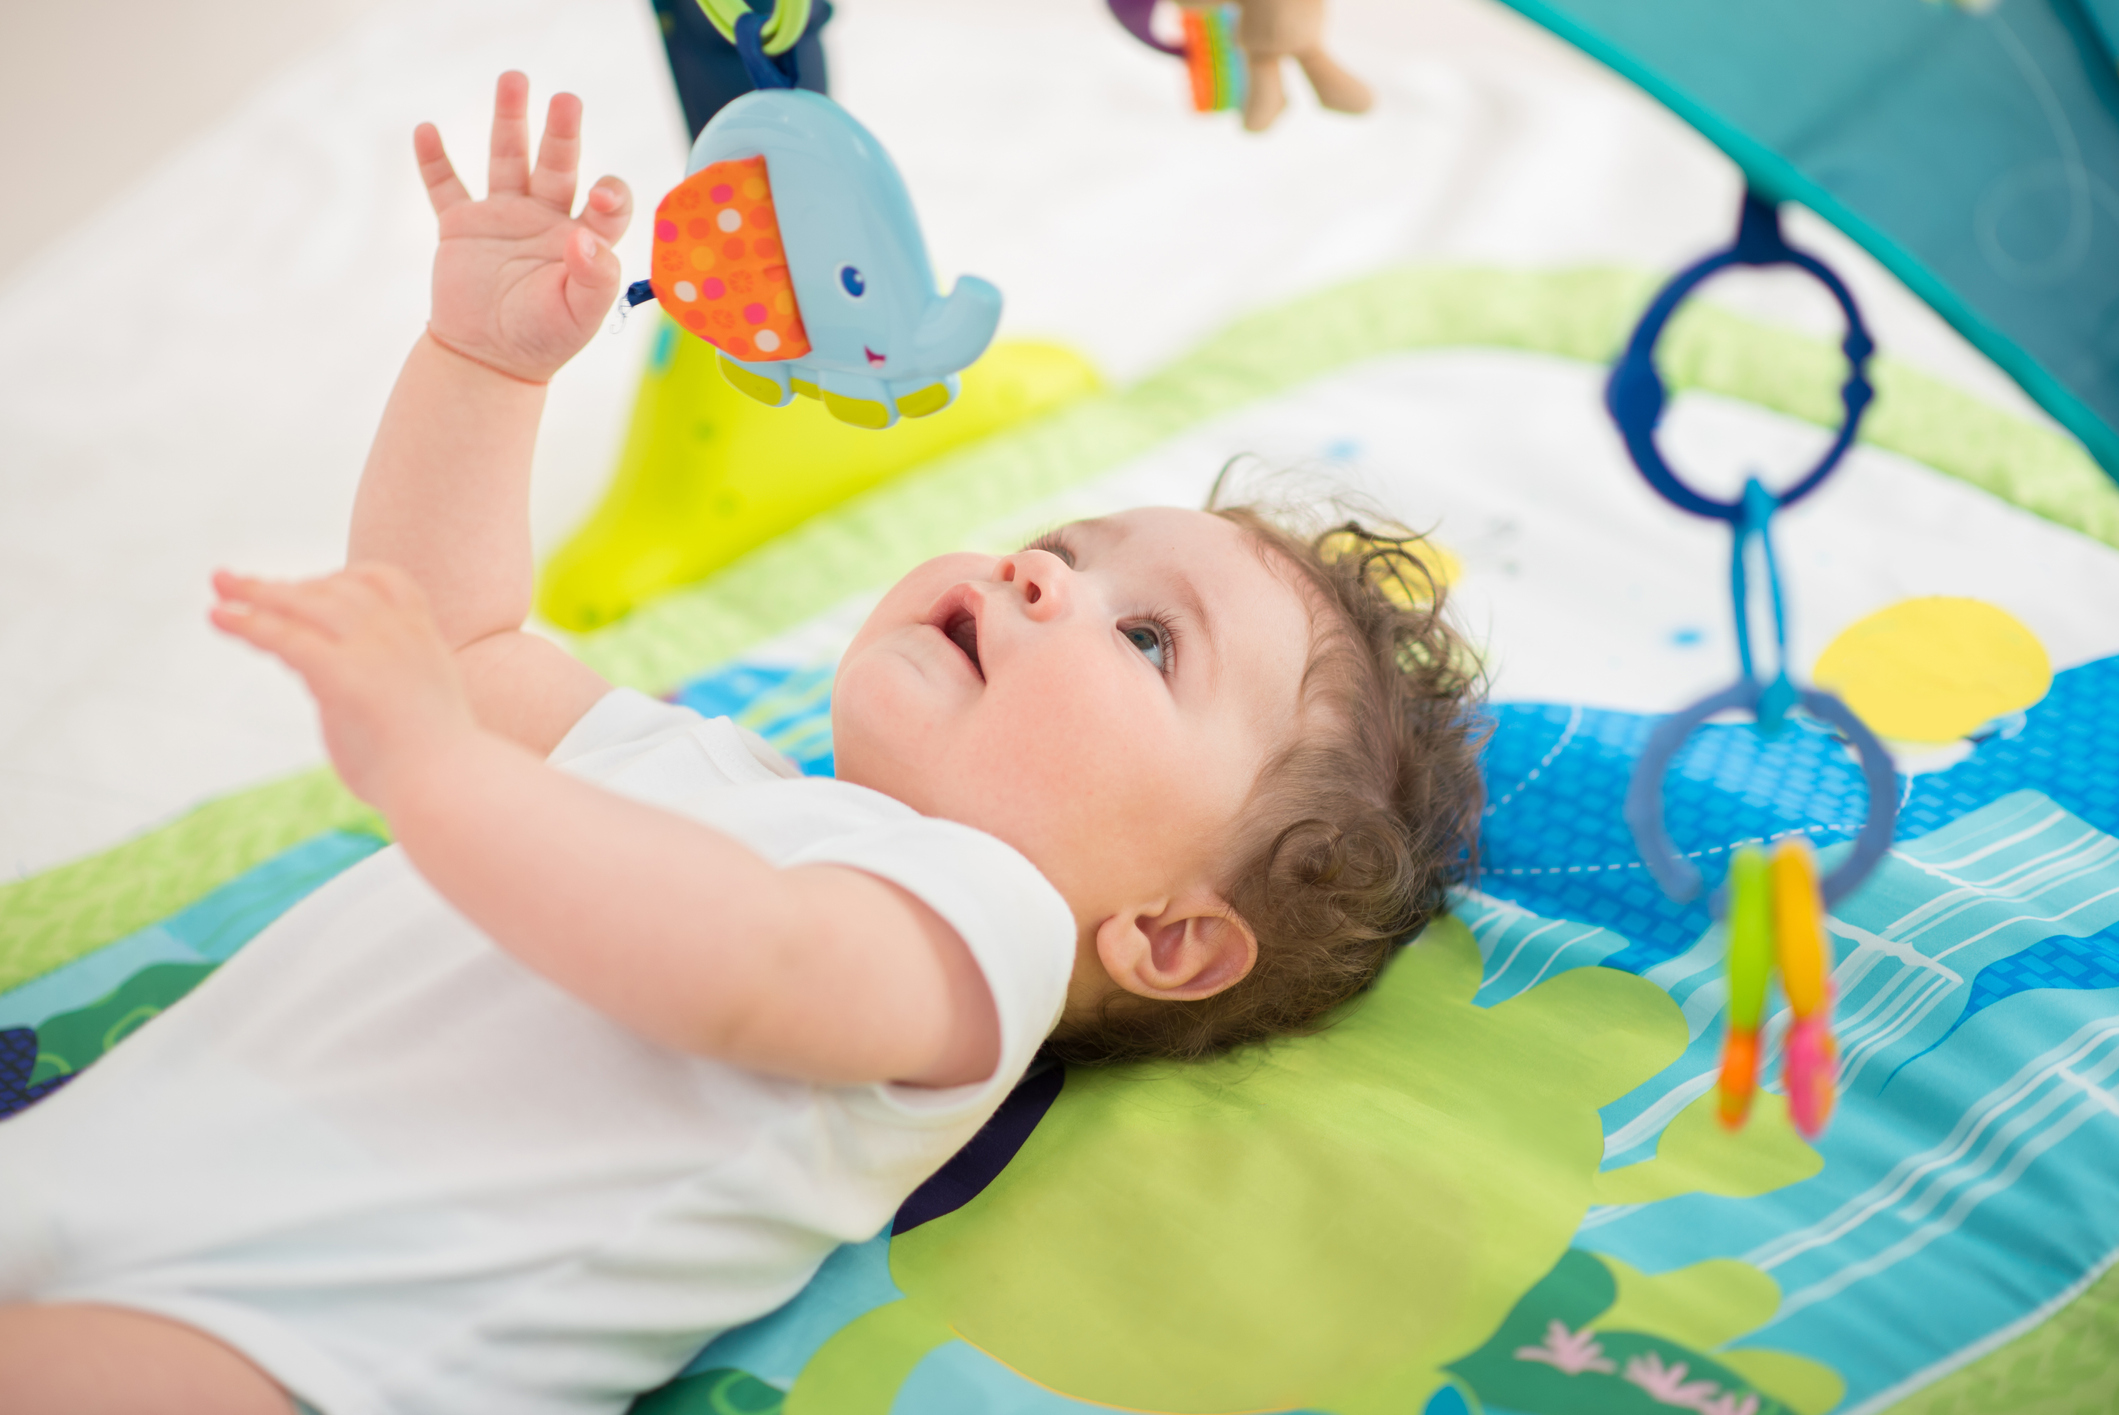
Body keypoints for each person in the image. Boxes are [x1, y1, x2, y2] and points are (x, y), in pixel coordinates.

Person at [0, 74, 1484, 1415]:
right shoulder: (703, 769)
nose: (1042, 577)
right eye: (1061, 547)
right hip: (94, 1160)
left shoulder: (988, 936)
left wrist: (435, 775)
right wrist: (483, 367)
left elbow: (744, 967)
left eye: (1148, 640)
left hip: (306, 1339)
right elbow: (460, 648)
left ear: (1167, 932)